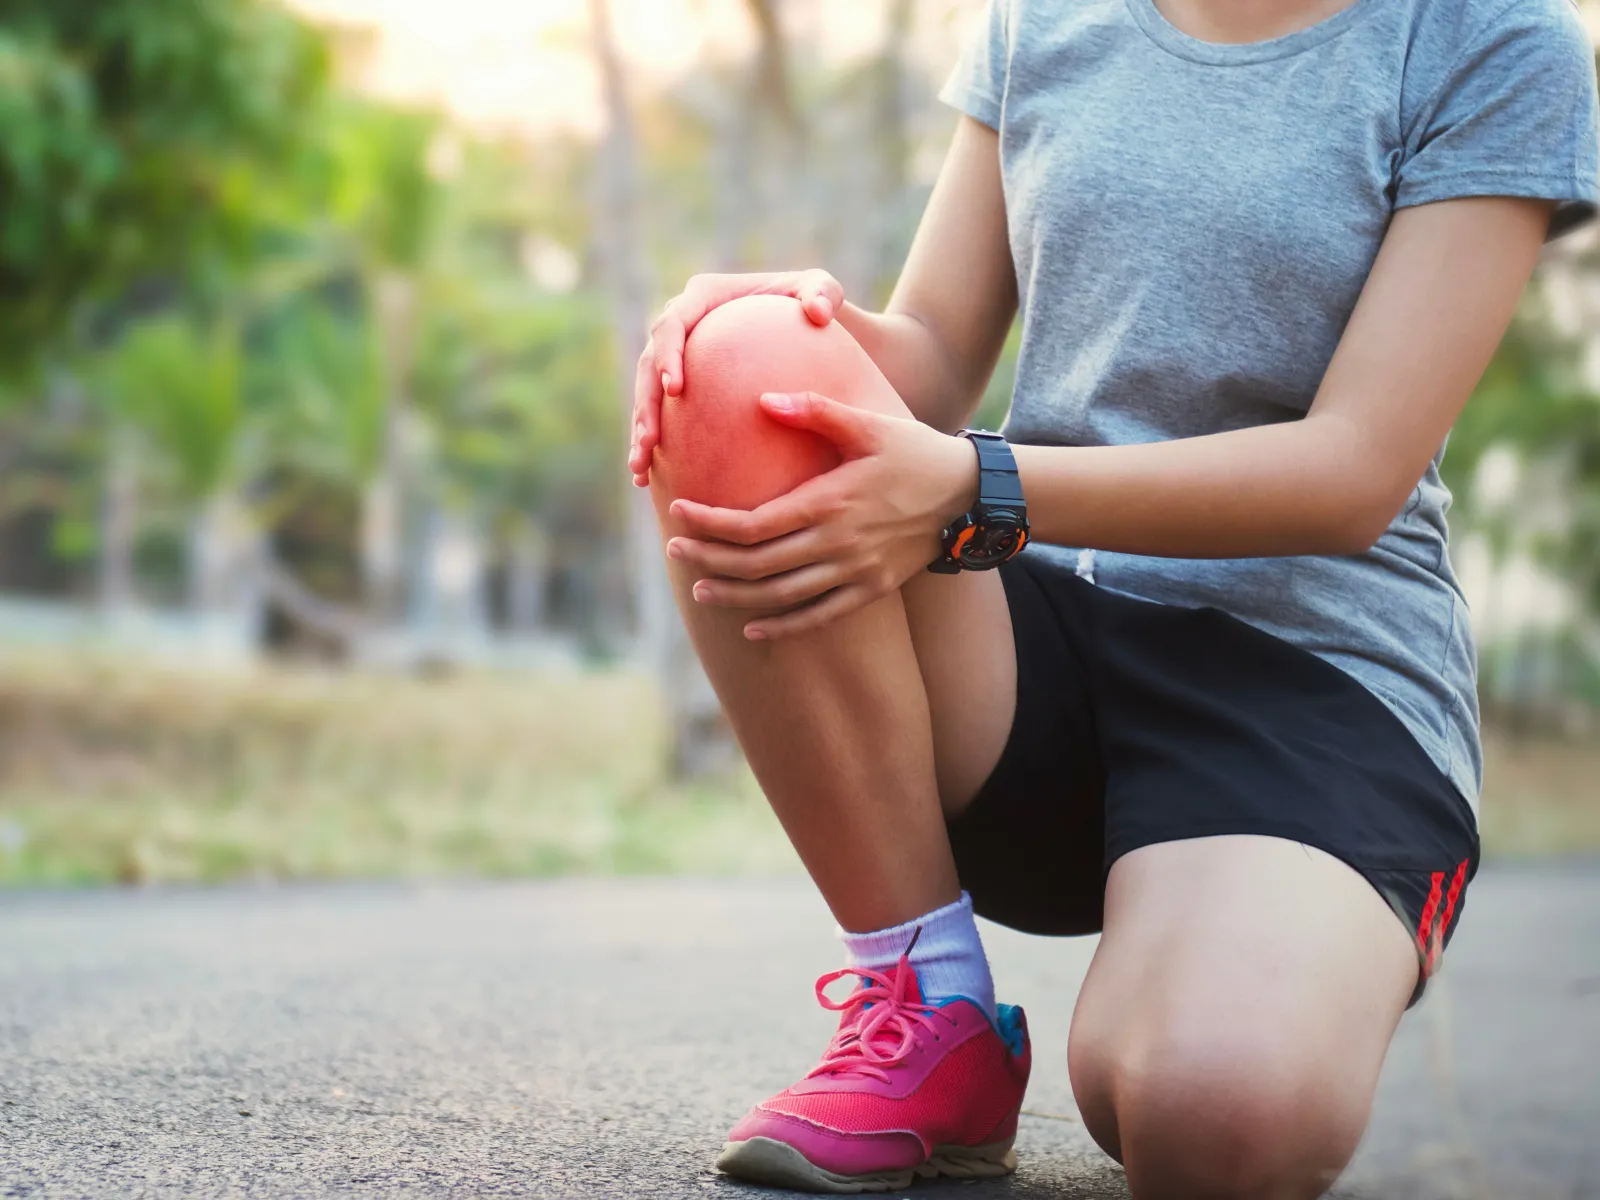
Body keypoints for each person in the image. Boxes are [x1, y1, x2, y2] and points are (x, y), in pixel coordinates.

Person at [629, 0, 1600, 1195]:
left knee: (1208, 1110)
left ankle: (1275, 943)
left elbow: (1352, 470)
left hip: (1313, 676)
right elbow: (930, 350)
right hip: (1029, 637)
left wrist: (977, 482)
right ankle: (929, 1009)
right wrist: (784, 330)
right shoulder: (1044, 15)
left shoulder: (1489, 39)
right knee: (740, 361)